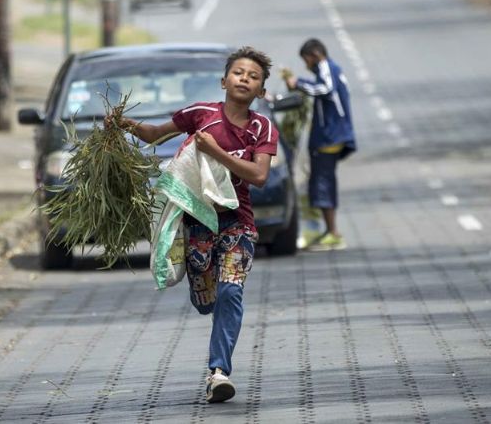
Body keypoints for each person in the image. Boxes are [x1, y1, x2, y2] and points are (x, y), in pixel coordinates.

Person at [113, 46, 277, 403]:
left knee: (231, 290)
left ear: (261, 91)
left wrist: (215, 151)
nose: (245, 79)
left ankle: (218, 372)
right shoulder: (201, 113)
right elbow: (156, 134)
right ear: (224, 81)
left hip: (237, 223)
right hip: (197, 222)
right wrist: (122, 124)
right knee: (207, 299)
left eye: (253, 77)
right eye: (239, 73)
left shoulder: (261, 127)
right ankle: (206, 294)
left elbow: (260, 175)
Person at [282, 38, 356, 251]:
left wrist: (298, 84)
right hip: (331, 136)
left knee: (322, 183)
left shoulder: (327, 68)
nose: (307, 65)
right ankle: (329, 231)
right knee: (322, 181)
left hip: (329, 137)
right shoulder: (330, 69)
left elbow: (325, 89)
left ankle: (333, 233)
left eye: (306, 60)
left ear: (315, 55)